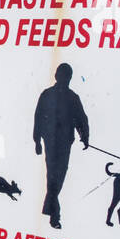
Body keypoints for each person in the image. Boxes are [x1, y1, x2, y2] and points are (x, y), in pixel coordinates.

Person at [33, 63, 89, 229]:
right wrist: (37, 140)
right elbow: (38, 118)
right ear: (57, 76)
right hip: (50, 142)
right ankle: (54, 216)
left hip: (64, 143)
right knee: (53, 178)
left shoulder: (72, 98)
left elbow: (81, 119)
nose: (64, 78)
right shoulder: (47, 95)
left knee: (58, 176)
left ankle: (50, 211)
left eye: (67, 76)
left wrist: (85, 136)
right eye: (62, 75)